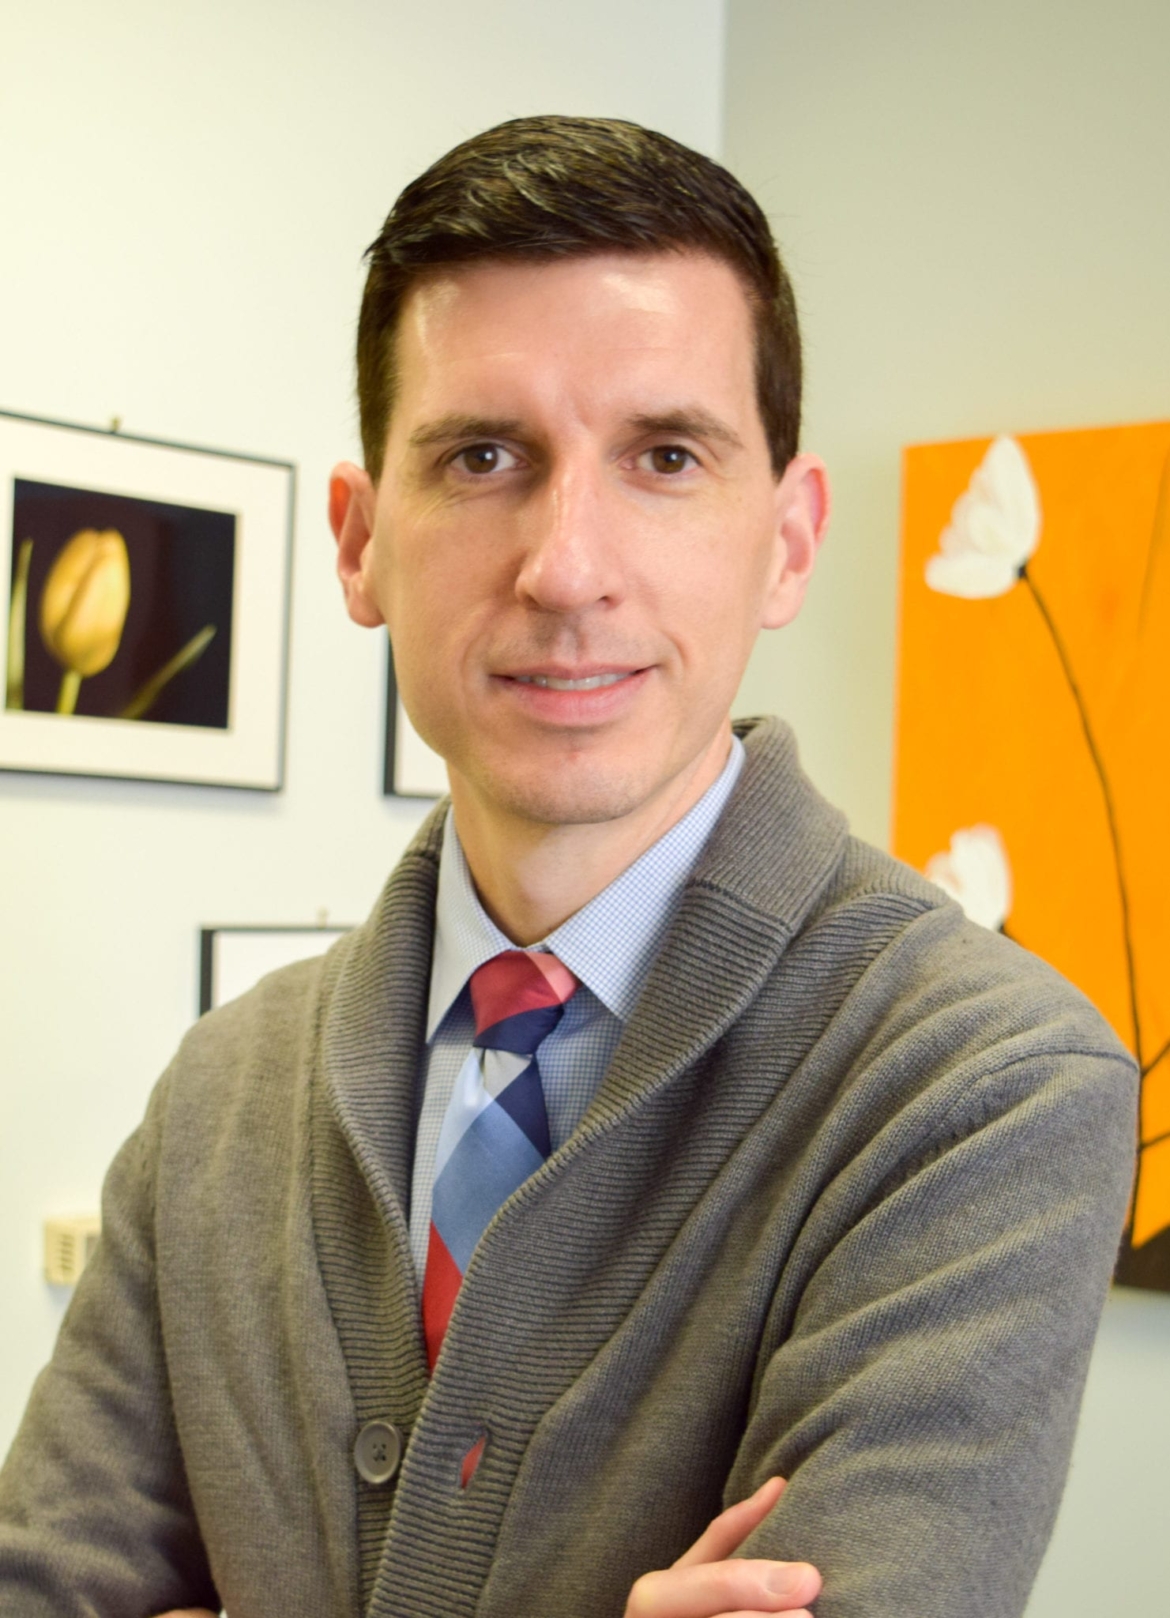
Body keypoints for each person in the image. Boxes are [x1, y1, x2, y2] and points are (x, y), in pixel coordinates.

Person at [0, 116, 1136, 1618]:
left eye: (666, 456)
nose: (565, 566)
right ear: (359, 543)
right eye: (483, 456)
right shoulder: (222, 1095)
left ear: (786, 542)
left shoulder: (979, 1086)